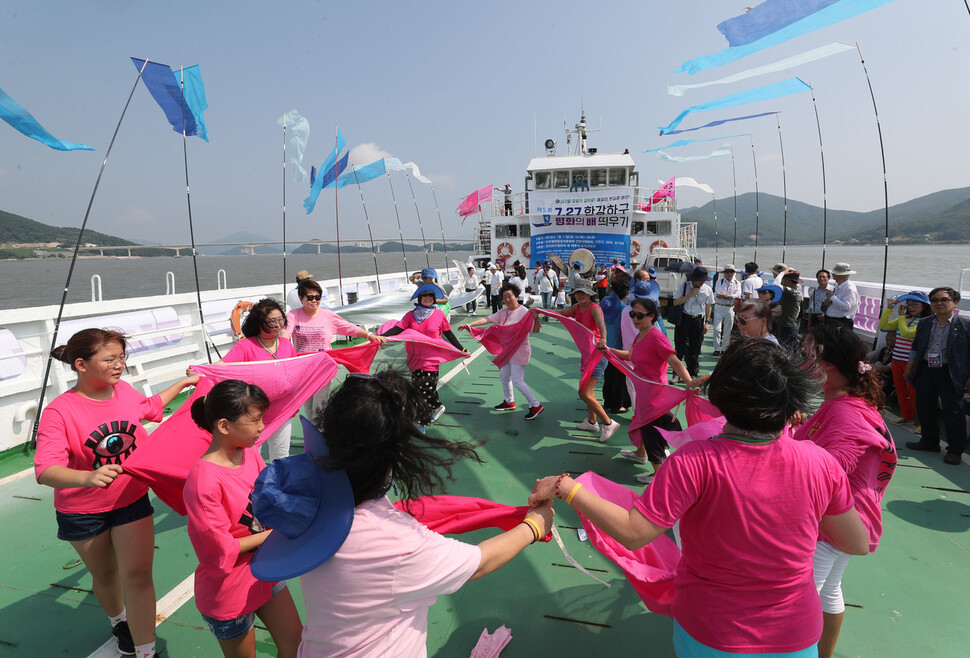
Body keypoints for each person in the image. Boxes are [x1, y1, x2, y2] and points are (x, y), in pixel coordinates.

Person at [530, 338, 868, 656]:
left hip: (713, 631)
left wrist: (567, 487)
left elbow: (634, 533)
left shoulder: (693, 461)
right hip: (797, 632)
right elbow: (855, 542)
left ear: (719, 396)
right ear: (791, 399)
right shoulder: (820, 462)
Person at [253, 369, 555, 657]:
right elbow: (479, 563)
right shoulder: (398, 543)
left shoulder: (309, 506)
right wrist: (533, 526)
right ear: (397, 453)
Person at [34, 328, 200, 658]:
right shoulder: (59, 412)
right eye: (110, 359)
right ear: (81, 364)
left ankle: (145, 651)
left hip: (131, 499)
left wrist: (184, 384)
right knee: (106, 575)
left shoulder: (122, 391)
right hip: (83, 511)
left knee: (138, 575)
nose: (119, 365)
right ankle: (118, 620)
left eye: (122, 357)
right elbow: (45, 470)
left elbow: (150, 407)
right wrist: (87, 476)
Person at [796, 324, 896, 658]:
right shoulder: (846, 402)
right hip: (852, 519)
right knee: (828, 592)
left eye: (806, 355)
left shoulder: (845, 414)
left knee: (798, 605)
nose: (800, 362)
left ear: (828, 366)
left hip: (830, 527)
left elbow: (829, 473)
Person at [185, 380, 302, 658]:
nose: (262, 426)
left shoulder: (248, 453)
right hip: (227, 591)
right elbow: (221, 549)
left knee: (297, 644)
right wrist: (279, 533)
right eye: (256, 419)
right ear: (224, 426)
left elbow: (268, 497)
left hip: (266, 573)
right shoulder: (203, 483)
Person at [602, 296, 691, 483]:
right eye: (633, 314)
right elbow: (630, 355)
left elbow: (674, 361)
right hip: (644, 392)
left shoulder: (657, 337)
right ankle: (641, 453)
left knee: (651, 431)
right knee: (644, 423)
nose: (634, 319)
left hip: (655, 394)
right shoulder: (640, 333)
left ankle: (659, 473)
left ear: (651, 316)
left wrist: (689, 382)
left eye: (639, 315)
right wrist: (607, 350)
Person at [284, 279, 385, 420]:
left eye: (317, 297)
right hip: (303, 368)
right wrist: (280, 348)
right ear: (301, 298)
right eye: (310, 297)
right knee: (308, 406)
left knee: (320, 405)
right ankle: (314, 436)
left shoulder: (327, 315)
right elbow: (285, 334)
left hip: (323, 366)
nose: (314, 301)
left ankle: (322, 436)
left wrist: (369, 335)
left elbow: (349, 328)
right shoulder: (293, 315)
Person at [218, 298, 297, 462]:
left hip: (282, 411)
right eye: (272, 321)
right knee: (250, 457)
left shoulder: (286, 344)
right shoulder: (245, 346)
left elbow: (296, 369)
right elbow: (223, 365)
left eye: (280, 319)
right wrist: (199, 370)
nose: (278, 325)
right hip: (252, 413)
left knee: (281, 456)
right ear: (259, 323)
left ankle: (279, 484)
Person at [381, 283, 468, 423]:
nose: (427, 298)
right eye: (424, 296)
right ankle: (437, 406)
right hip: (414, 359)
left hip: (431, 359)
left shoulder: (439, 314)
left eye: (430, 296)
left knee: (425, 389)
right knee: (421, 388)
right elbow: (398, 328)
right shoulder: (410, 315)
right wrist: (382, 337)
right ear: (420, 298)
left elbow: (448, 333)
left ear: (434, 299)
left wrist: (461, 348)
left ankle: (423, 419)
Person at [903, 286, 970, 465]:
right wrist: (910, 367)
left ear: (955, 303)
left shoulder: (965, 325)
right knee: (924, 406)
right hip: (926, 369)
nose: (938, 303)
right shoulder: (925, 323)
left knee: (953, 410)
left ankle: (955, 449)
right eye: (934, 300)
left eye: (944, 300)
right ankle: (929, 441)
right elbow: (916, 346)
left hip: (951, 372)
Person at [460, 283, 543, 419]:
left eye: (509, 296)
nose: (507, 299)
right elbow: (486, 319)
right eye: (504, 297)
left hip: (519, 350)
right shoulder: (503, 312)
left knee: (517, 380)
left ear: (516, 296)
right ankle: (509, 402)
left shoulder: (524, 312)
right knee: (504, 377)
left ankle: (535, 405)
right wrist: (470, 325)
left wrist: (536, 318)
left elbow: (535, 330)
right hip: (506, 351)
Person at [558, 280, 621, 442]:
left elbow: (602, 325)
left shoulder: (594, 308)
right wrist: (538, 311)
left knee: (584, 392)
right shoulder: (577, 308)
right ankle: (592, 422)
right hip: (587, 354)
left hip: (597, 354)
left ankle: (608, 423)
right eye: (577, 293)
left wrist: (604, 339)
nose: (580, 296)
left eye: (583, 293)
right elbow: (563, 313)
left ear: (590, 294)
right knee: (589, 390)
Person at [878, 291, 932, 427]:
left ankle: (922, 422)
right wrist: (890, 308)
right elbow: (883, 326)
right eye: (909, 304)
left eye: (915, 304)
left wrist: (901, 317)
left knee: (915, 393)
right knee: (901, 390)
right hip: (897, 359)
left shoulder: (925, 322)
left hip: (912, 363)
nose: (911, 307)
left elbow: (907, 333)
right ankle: (906, 416)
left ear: (925, 306)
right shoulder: (904, 319)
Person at [600, 270, 633, 414]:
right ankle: (617, 405)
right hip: (619, 348)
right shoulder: (624, 309)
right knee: (620, 378)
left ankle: (607, 402)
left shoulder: (604, 302)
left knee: (609, 376)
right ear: (626, 294)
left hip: (606, 345)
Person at [672, 267, 713, 378]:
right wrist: (690, 294)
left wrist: (707, 322)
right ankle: (676, 374)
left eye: (703, 280)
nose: (701, 282)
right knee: (679, 348)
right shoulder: (683, 286)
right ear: (693, 279)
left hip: (698, 320)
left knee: (695, 349)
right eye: (699, 280)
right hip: (684, 319)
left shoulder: (708, 289)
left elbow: (708, 306)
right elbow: (676, 302)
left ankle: (692, 373)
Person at [711, 263, 741, 356]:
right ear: (724, 273)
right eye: (727, 271)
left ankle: (724, 348)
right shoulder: (719, 282)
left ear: (734, 273)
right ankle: (716, 348)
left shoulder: (737, 283)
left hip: (730, 308)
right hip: (719, 306)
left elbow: (738, 295)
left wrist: (726, 295)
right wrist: (730, 296)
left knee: (728, 330)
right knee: (717, 329)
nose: (729, 273)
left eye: (731, 271)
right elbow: (718, 294)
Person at [822, 263, 860, 330]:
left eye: (833, 273)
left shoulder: (850, 288)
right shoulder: (838, 285)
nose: (832, 274)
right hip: (831, 321)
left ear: (838, 275)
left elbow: (846, 307)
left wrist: (832, 296)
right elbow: (838, 302)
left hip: (841, 323)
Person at [776, 268, 804, 349]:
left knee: (786, 349)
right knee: (789, 347)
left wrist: (782, 273)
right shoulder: (797, 290)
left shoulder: (788, 291)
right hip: (792, 324)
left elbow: (776, 285)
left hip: (787, 326)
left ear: (787, 280)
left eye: (783, 279)